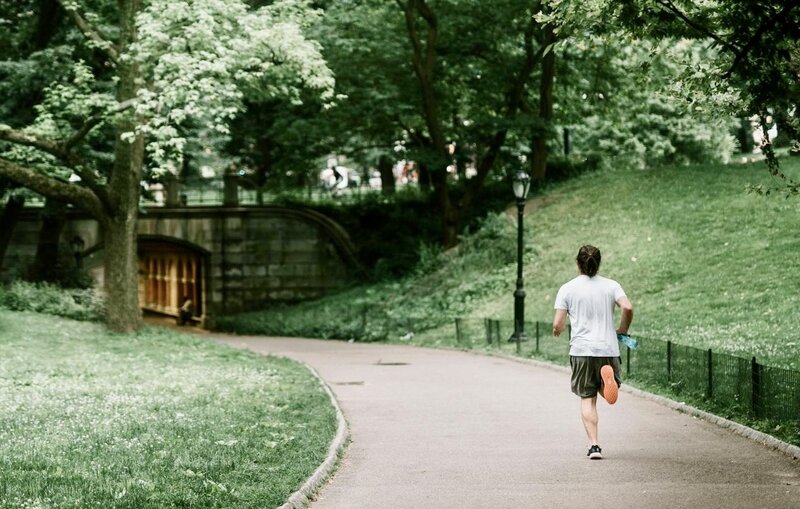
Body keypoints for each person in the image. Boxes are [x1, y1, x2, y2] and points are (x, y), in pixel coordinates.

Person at [552, 245, 633, 460]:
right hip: (608, 349)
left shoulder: (567, 288)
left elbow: (558, 323)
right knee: (604, 389)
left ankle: (594, 446)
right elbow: (627, 307)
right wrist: (623, 329)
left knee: (587, 398)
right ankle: (607, 384)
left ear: (577, 263)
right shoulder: (612, 285)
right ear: (598, 262)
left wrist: (557, 330)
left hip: (582, 350)